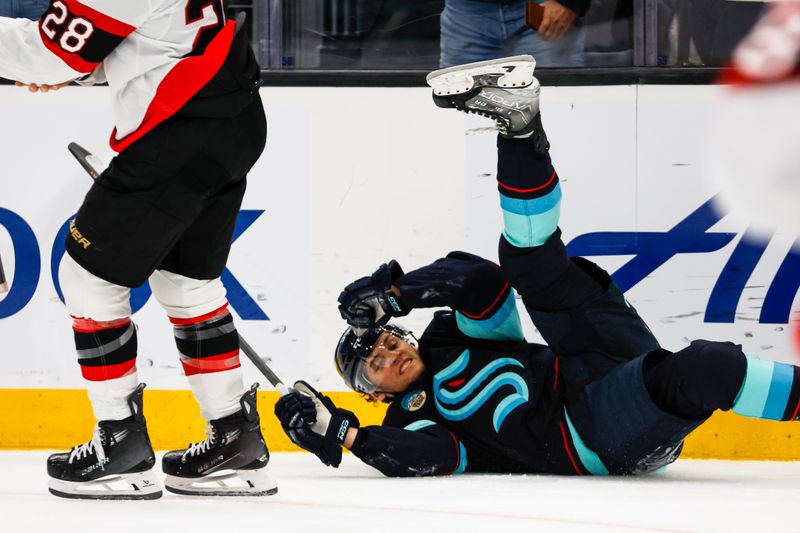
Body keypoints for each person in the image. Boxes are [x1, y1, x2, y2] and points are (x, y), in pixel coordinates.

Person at [275, 55, 800, 477]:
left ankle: (520, 125)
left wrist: (396, 295)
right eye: (377, 363)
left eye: (389, 340)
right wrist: (345, 434)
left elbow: (479, 281)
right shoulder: (413, 420)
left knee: (529, 264)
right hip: (594, 431)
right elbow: (431, 457)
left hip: (590, 357)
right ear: (370, 393)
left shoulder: (448, 339)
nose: (391, 352)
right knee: (712, 367)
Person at [0, 2, 273, 499]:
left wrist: (55, 62)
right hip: (232, 115)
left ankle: (119, 445)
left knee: (88, 279)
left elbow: (46, 52)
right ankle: (234, 438)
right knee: (186, 281)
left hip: (181, 127)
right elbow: (148, 37)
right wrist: (75, 69)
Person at [440, 0, 591, 68]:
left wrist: (570, 1)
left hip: (543, 8)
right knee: (458, 105)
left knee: (554, 107)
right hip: (467, 12)